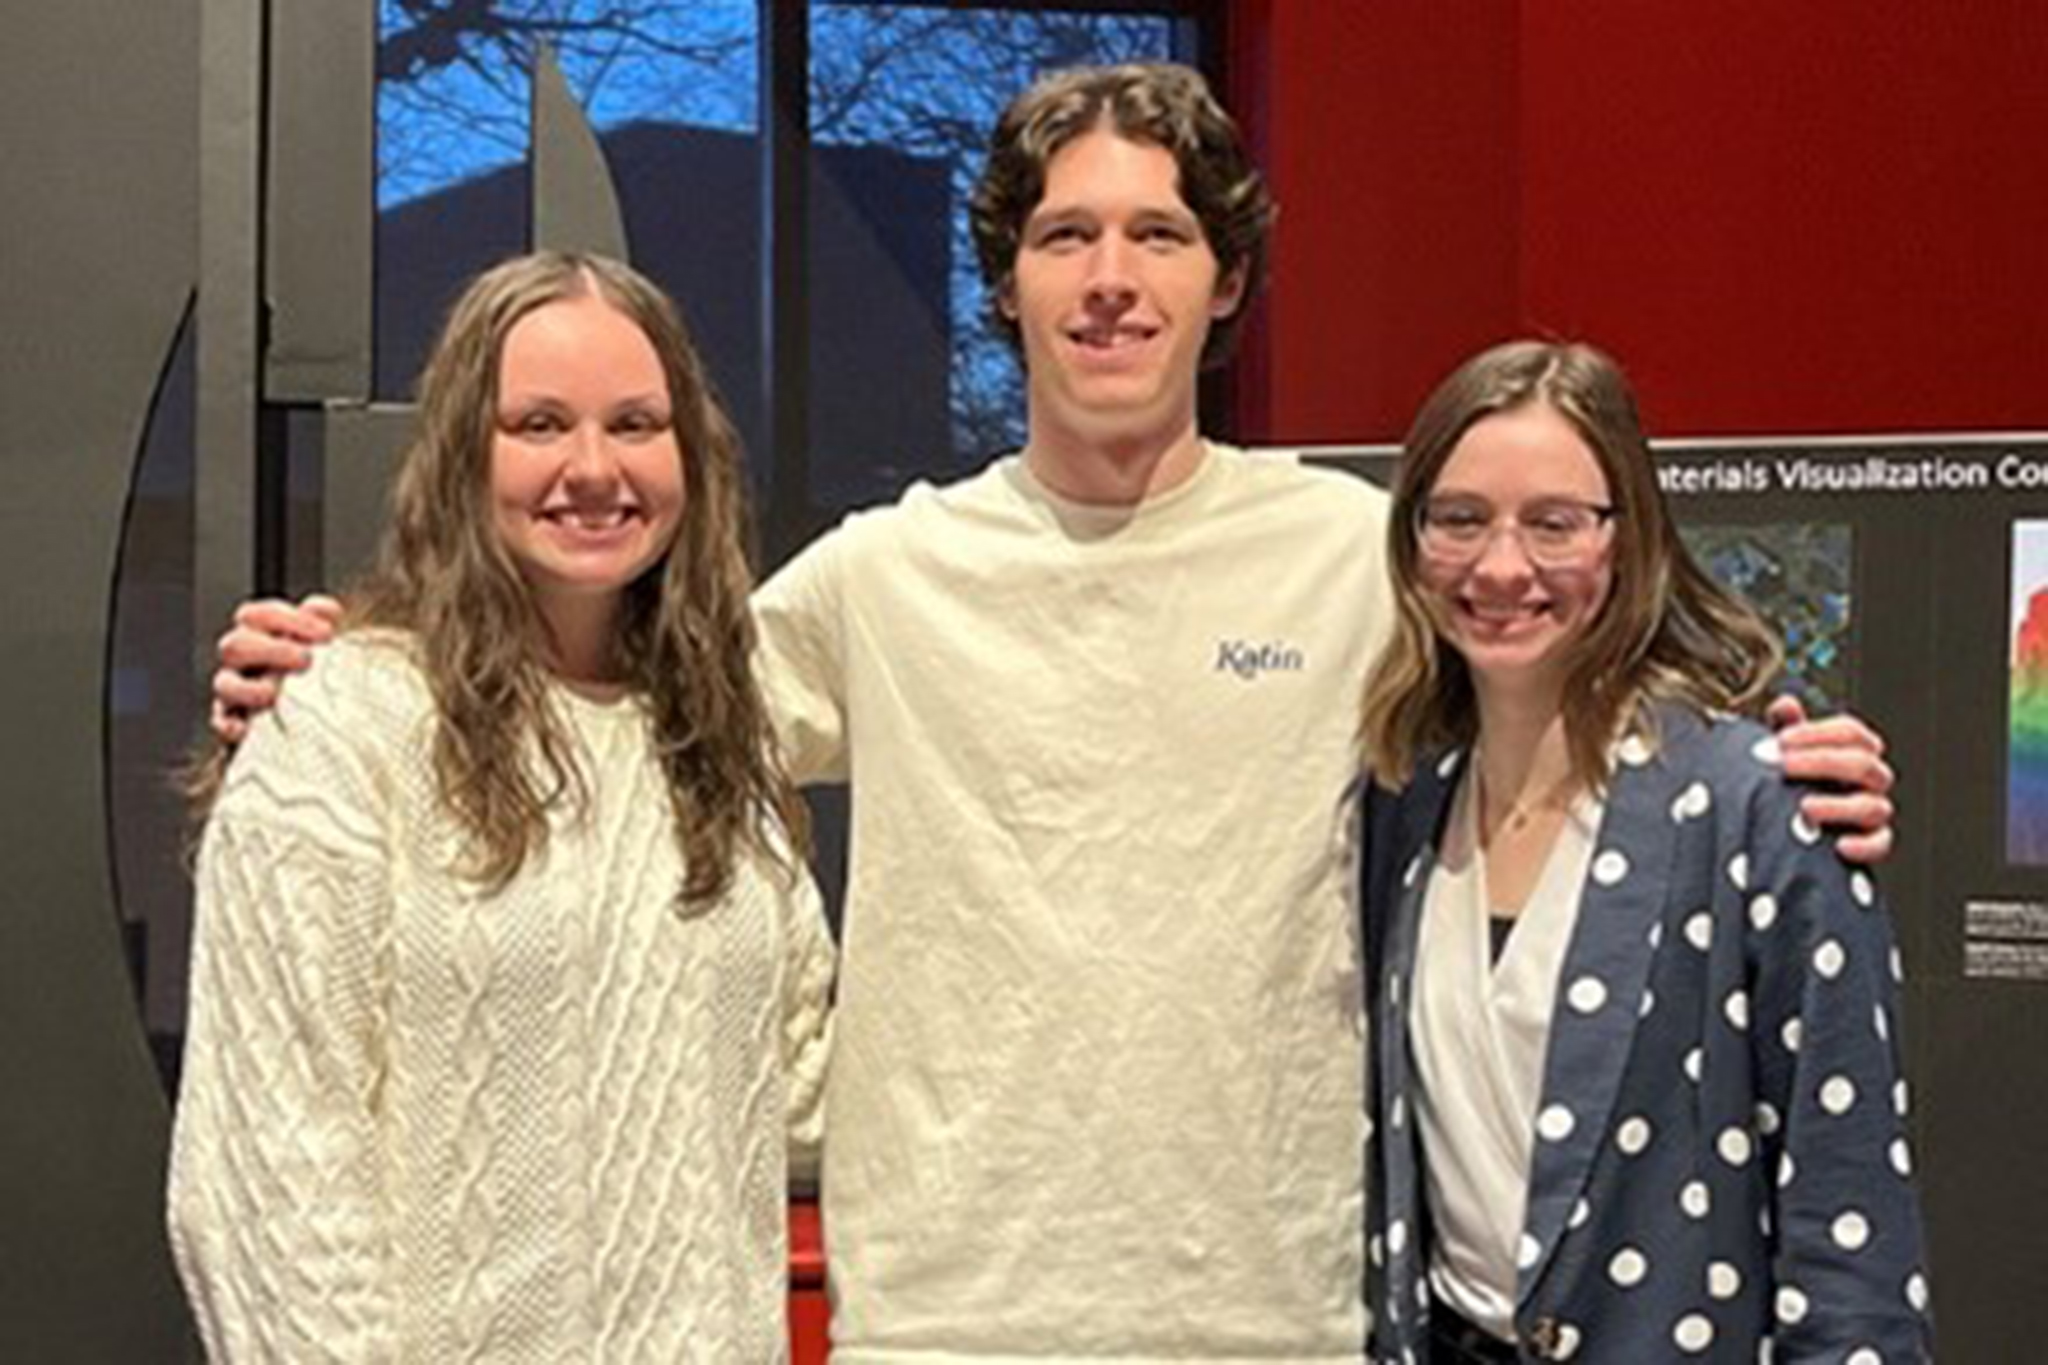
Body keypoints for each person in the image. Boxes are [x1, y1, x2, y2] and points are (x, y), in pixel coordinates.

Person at [208, 66, 1896, 1362]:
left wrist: (1781, 757)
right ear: (1005, 281)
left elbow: (1559, 653)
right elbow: (609, 682)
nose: (1108, 278)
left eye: (1157, 234)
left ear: (1224, 284)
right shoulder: (886, 578)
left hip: (1272, 1320)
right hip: (947, 1322)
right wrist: (360, 658)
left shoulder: (1349, 557)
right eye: (1062, 237)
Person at [168, 252, 833, 1362]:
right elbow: (264, 1185)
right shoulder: (340, 728)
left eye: (634, 422)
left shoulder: (720, 749)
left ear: (692, 456)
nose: (591, 467)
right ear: (459, 457)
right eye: (536, 423)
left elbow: (791, 1095)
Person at [1358, 341, 1932, 1363]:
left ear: (1626, 540)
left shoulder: (1762, 810)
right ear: (1410, 544)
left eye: (1552, 523)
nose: (1499, 566)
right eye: (1458, 519)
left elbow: (1849, 1237)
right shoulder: (1400, 815)